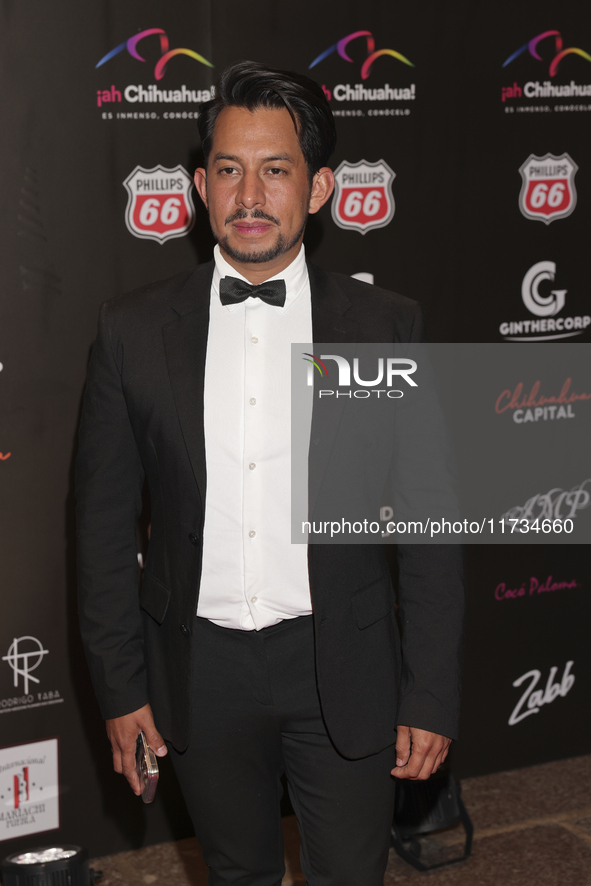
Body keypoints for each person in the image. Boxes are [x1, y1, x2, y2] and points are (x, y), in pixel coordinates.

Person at [76, 60, 464, 886]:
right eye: (228, 170)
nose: (249, 194)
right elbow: (102, 527)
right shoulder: (132, 333)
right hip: (198, 674)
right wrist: (120, 688)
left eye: (275, 170)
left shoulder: (384, 327)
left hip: (341, 667)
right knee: (235, 873)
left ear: (319, 188)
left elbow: (432, 524)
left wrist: (429, 694)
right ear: (198, 185)